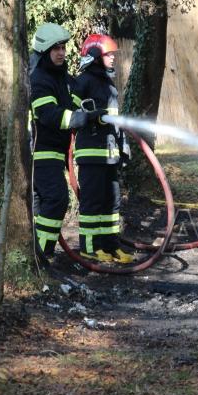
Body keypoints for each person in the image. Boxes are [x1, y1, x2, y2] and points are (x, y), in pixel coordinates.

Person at [29, 23, 105, 258]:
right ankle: (40, 255)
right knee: (56, 199)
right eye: (56, 49)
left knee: (51, 202)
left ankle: (41, 253)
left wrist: (92, 113)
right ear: (44, 51)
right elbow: (48, 114)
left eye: (63, 47)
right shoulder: (39, 79)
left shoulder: (62, 77)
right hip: (42, 152)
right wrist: (77, 118)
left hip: (58, 152)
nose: (61, 52)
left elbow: (75, 101)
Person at [72, 33, 133, 264]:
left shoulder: (109, 85)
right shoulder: (83, 82)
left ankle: (111, 246)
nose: (113, 57)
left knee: (112, 202)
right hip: (91, 155)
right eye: (108, 54)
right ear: (95, 56)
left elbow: (115, 121)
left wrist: (123, 146)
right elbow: (72, 113)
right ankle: (90, 247)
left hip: (110, 155)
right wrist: (91, 116)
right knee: (93, 203)